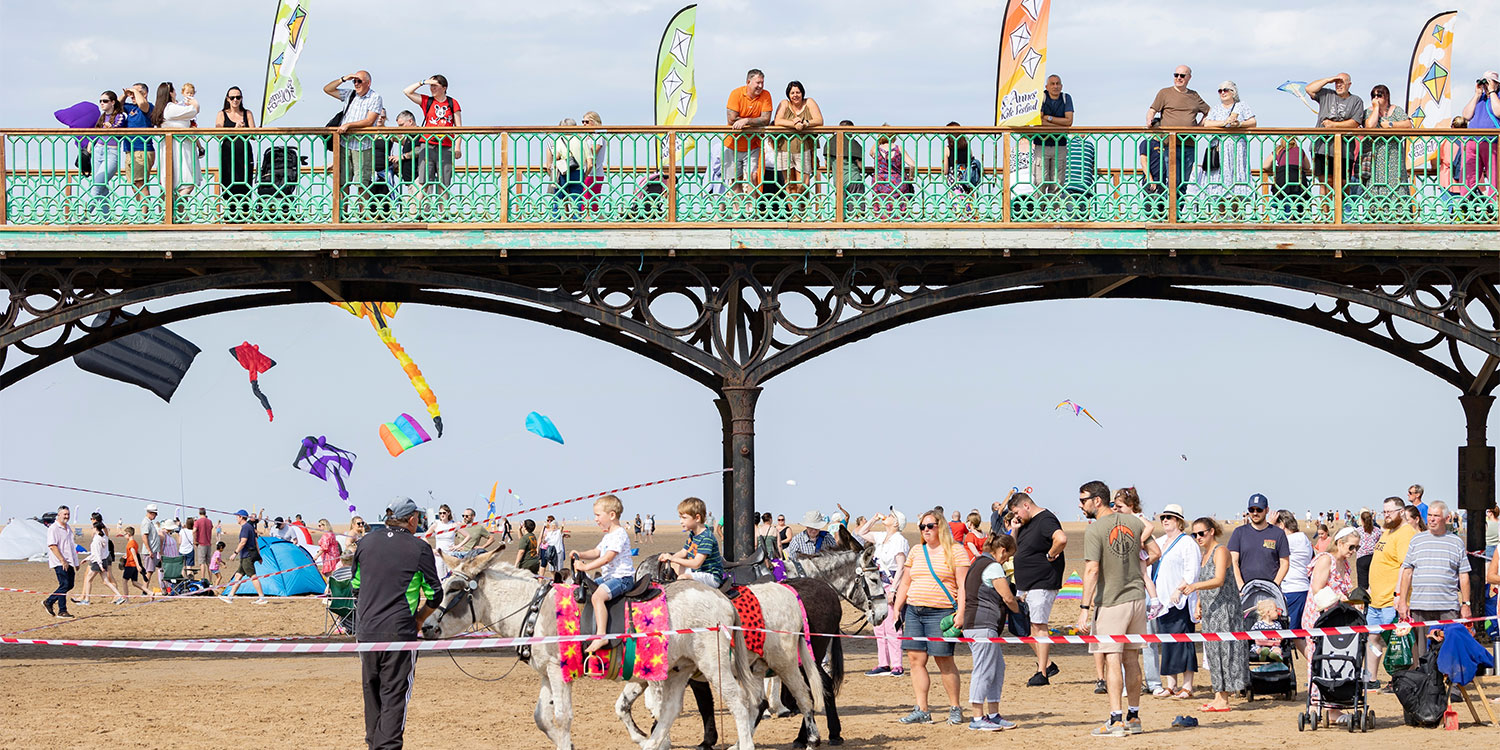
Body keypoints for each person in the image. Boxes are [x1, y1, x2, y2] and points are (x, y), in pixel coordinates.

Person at [353, 497, 440, 750]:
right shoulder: (419, 548)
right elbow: (436, 593)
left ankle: (374, 745)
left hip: (367, 631)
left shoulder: (365, 542)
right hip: (399, 632)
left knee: (372, 693)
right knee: (395, 696)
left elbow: (355, 586)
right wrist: (420, 618)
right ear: (412, 520)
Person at [1076, 481, 1160, 736]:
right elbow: (1154, 551)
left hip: (1111, 601)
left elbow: (1092, 570)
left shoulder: (1095, 530)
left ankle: (1116, 719)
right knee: (1132, 659)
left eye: (1083, 500)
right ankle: (1134, 717)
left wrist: (1083, 609)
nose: (1080, 506)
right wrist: (1135, 565)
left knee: (1113, 659)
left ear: (1097, 501)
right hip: (1136, 598)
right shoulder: (1134, 522)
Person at [891, 509, 972, 725]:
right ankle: (922, 709)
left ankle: (955, 707)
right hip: (915, 612)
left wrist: (961, 613)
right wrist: (898, 607)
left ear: (940, 527)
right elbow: (906, 582)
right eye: (922, 527)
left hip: (942, 612)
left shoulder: (956, 551)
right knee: (916, 661)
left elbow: (964, 585)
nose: (925, 530)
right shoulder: (917, 551)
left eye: (930, 526)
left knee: (944, 661)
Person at [1179, 517, 1245, 713]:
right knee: (1213, 653)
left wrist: (1194, 587)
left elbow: (1218, 579)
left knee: (1225, 652)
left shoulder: (1221, 551)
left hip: (1225, 610)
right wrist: (1199, 603)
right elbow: (1205, 580)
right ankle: (1218, 695)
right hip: (1210, 611)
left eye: (1201, 533)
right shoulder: (1205, 554)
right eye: (1195, 534)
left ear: (1211, 532)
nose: (1198, 537)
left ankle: (1224, 698)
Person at [961, 534, 1021, 731]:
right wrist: (1019, 612)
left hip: (980, 625)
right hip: (982, 625)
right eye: (1008, 556)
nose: (1007, 560)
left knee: (997, 668)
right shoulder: (993, 566)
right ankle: (977, 718)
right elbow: (1007, 597)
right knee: (984, 670)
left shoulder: (977, 562)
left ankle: (993, 714)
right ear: (1002, 550)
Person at [1398, 501, 1471, 662]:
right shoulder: (1416, 541)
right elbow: (1407, 572)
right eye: (1429, 515)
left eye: (1436, 516)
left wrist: (1466, 604)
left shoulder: (1456, 542)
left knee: (1449, 652)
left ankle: (1452, 686)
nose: (1431, 519)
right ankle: (1425, 686)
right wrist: (1402, 601)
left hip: (1448, 607)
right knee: (1423, 654)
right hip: (1420, 606)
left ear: (1445, 518)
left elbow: (1464, 575)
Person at [1007, 491, 1066, 686]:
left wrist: (1050, 555)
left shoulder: (1046, 519)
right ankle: (1047, 664)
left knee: (1038, 626)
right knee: (1023, 627)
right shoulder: (1025, 524)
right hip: (1025, 584)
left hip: (1042, 583)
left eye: (1016, 512)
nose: (1016, 517)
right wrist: (1014, 530)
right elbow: (1013, 549)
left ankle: (1042, 673)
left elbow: (1061, 539)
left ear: (1026, 505)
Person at [1303, 526, 1358, 722]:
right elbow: (1318, 588)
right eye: (1351, 547)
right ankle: (1315, 705)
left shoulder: (1345, 564)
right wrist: (1340, 598)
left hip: (1336, 618)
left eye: (1357, 548)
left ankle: (1334, 708)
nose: (1353, 552)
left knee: (1336, 659)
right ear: (1340, 543)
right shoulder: (1326, 559)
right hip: (1319, 617)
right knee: (1318, 659)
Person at [569, 494, 634, 656]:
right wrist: (581, 554)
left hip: (622, 578)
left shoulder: (619, 534)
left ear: (611, 515)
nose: (596, 519)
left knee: (598, 597)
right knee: (586, 588)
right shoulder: (607, 536)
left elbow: (607, 558)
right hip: (609, 577)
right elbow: (596, 552)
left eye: (598, 515)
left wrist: (585, 567)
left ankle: (601, 635)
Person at [1150, 504, 1198, 698]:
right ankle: (1171, 684)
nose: (1165, 520)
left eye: (1170, 517)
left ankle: (1187, 685)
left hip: (1180, 600)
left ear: (1179, 521)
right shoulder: (1160, 541)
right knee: (1167, 643)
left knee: (1183, 642)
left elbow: (1192, 571)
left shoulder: (1187, 543)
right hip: (1160, 601)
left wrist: (1180, 590)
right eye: (1163, 517)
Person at [1364, 496, 1414, 686]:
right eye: (1384, 512)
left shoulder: (1405, 534)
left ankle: (1400, 680)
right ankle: (1372, 678)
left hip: (1390, 601)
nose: (1386, 515)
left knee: (1396, 643)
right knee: (1373, 638)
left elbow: (1405, 567)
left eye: (1390, 512)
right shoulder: (1387, 532)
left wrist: (1398, 595)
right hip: (1376, 599)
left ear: (1401, 512)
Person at [1141, 65, 1209, 202]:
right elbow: (1152, 110)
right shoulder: (1164, 93)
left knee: (1183, 181)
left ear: (1189, 78)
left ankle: (1177, 213)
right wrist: (1149, 120)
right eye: (1176, 75)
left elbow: (1208, 111)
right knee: (1173, 180)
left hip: (1188, 144)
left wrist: (1198, 128)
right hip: (1169, 144)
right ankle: (1169, 211)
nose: (1179, 78)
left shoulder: (1194, 95)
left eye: (1182, 75)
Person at [852, 510, 908, 676]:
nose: (887, 517)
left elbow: (901, 566)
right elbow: (861, 532)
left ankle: (897, 664)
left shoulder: (899, 540)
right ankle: (883, 663)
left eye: (891, 516)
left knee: (892, 625)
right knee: (878, 625)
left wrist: (895, 589)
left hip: (891, 583)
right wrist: (874, 519)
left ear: (897, 523)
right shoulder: (882, 536)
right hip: (877, 586)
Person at [323, 70, 384, 216]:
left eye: (359, 81)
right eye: (354, 81)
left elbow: (370, 121)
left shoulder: (375, 97)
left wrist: (349, 125)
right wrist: (344, 78)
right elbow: (327, 89)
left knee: (362, 182)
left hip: (362, 145)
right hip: (344, 144)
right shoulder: (350, 94)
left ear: (368, 83)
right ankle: (342, 214)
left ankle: (363, 215)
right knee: (342, 181)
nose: (356, 84)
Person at [1196, 81, 1256, 216]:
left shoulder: (1241, 106)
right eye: (1220, 90)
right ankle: (1221, 214)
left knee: (1237, 179)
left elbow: (1253, 122)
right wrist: (1224, 123)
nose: (1222, 92)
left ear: (1233, 92)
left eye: (1226, 90)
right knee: (1219, 181)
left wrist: (1239, 124)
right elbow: (1207, 124)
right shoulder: (1216, 108)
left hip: (1237, 149)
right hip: (1220, 148)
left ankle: (1236, 214)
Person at [1305, 73, 1366, 200]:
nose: (1338, 85)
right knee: (1325, 182)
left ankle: (1341, 215)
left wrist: (1333, 125)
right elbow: (1309, 89)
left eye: (1342, 82)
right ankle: (1326, 216)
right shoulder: (1326, 94)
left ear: (1349, 84)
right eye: (1336, 82)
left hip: (1344, 148)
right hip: (1321, 146)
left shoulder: (1356, 101)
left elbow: (1354, 123)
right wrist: (1328, 79)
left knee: (1343, 183)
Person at [401, 75, 461, 202]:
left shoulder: (452, 103)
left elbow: (459, 128)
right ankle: (419, 210)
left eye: (435, 86)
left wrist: (457, 147)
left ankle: (443, 213)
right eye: (431, 86)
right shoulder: (427, 101)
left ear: (444, 88)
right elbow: (407, 91)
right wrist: (422, 82)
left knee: (443, 183)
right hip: (428, 145)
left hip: (446, 146)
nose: (432, 88)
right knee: (424, 180)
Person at [771, 80, 822, 216]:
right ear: (788, 94)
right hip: (784, 148)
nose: (795, 95)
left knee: (802, 184)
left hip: (803, 147)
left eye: (797, 92)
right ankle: (793, 213)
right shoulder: (784, 103)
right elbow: (778, 121)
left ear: (802, 93)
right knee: (789, 185)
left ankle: (802, 211)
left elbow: (819, 120)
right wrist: (794, 123)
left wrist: (805, 123)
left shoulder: (809, 102)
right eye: (792, 92)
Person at [723, 69, 774, 198]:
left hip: (753, 144)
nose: (760, 86)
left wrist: (746, 120)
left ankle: (751, 212)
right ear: (748, 82)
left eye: (762, 83)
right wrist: (755, 121)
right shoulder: (736, 94)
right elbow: (731, 119)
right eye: (758, 83)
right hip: (732, 143)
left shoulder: (766, 95)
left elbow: (766, 120)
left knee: (753, 177)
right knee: (735, 180)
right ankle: (737, 213)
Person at [657, 497, 724, 585]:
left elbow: (696, 564)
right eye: (680, 518)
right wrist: (669, 559)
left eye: (684, 518)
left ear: (697, 518)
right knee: (675, 565)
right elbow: (683, 552)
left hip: (710, 576)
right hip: (697, 572)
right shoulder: (693, 534)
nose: (681, 521)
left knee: (683, 578)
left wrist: (673, 558)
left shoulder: (706, 537)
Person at [1227, 493, 1288, 589]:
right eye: (1252, 510)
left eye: (1259, 510)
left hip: (1270, 590)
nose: (1255, 513)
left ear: (1267, 510)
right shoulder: (1239, 532)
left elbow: (1285, 563)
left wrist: (1274, 585)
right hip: (1245, 590)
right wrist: (1241, 586)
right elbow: (1233, 561)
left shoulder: (1278, 534)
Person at [214, 86, 256, 220]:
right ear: (228, 99)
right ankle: (229, 216)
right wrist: (234, 129)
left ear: (241, 99)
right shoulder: (221, 114)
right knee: (228, 182)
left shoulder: (247, 113)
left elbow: (254, 135)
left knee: (245, 183)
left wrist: (247, 130)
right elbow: (218, 134)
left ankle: (245, 215)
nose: (235, 100)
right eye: (232, 98)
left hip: (244, 153)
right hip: (228, 153)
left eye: (238, 97)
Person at [84, 91, 127, 218]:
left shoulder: (120, 116)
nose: (102, 103)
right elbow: (96, 132)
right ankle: (107, 217)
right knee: (102, 188)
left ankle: (83, 215)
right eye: (101, 101)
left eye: (105, 101)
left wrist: (111, 127)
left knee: (98, 185)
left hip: (111, 152)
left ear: (113, 102)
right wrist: (92, 142)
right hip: (98, 150)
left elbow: (119, 127)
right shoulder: (102, 117)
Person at [155, 82, 200, 197]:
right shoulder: (170, 108)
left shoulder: (167, 108)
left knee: (178, 184)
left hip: (178, 146)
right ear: (170, 93)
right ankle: (174, 207)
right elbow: (193, 111)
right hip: (179, 148)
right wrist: (194, 103)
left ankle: (180, 213)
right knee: (187, 182)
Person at [1032, 74, 1074, 192]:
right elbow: (1038, 121)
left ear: (1061, 86)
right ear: (1047, 86)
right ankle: (1039, 209)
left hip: (1059, 144)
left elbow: (1069, 121)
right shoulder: (1041, 97)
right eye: (1052, 84)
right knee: (1040, 181)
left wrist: (1049, 119)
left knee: (1057, 183)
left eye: (1057, 83)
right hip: (1042, 144)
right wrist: (1060, 126)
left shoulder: (1066, 98)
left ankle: (1052, 209)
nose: (1055, 86)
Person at [1274, 510, 1314, 630]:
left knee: (1289, 633)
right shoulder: (1304, 538)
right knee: (1298, 636)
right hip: (1303, 589)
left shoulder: (1289, 540)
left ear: (1281, 525)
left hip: (1291, 590)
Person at [220, 509, 267, 604]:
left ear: (241, 517)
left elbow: (243, 542)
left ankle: (262, 597)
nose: (236, 518)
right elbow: (256, 542)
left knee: (253, 576)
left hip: (247, 556)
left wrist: (235, 553)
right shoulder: (250, 527)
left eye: (237, 517)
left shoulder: (245, 528)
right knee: (238, 575)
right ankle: (230, 597)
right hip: (247, 556)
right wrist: (259, 556)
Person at [120, 83, 156, 197]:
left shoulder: (148, 106)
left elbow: (142, 104)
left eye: (136, 93)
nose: (133, 96)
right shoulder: (131, 107)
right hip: (130, 150)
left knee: (141, 184)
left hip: (142, 149)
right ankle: (141, 212)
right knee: (134, 185)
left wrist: (134, 91)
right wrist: (125, 94)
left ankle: (144, 214)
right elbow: (116, 106)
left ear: (144, 94)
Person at [77, 520, 126, 605]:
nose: (91, 529)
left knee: (88, 579)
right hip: (103, 561)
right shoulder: (104, 538)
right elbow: (101, 553)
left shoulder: (97, 539)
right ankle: (119, 596)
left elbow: (97, 554)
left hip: (98, 562)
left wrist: (99, 565)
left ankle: (87, 600)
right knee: (106, 581)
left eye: (92, 528)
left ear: (96, 528)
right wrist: (87, 559)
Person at [44, 506, 79, 618]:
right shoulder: (53, 528)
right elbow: (52, 546)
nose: (67, 516)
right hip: (59, 562)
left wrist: (76, 562)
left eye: (68, 514)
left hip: (69, 561)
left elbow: (72, 547)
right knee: (64, 584)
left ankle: (49, 601)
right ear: (58, 515)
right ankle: (62, 611)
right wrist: (62, 560)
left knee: (70, 584)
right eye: (64, 514)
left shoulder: (68, 528)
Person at [428, 505, 459, 579]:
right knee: (440, 576)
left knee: (451, 576)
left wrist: (458, 546)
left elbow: (467, 536)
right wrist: (432, 549)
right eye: (440, 513)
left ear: (448, 513)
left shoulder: (453, 524)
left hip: (450, 554)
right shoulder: (436, 524)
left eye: (444, 513)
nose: (442, 515)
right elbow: (424, 536)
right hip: (439, 554)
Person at [120, 526, 149, 599]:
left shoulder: (131, 543)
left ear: (128, 534)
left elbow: (134, 555)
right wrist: (127, 556)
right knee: (134, 582)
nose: (124, 536)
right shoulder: (134, 543)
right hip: (133, 565)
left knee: (124, 581)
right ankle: (149, 592)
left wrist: (138, 565)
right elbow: (135, 553)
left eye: (125, 534)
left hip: (130, 565)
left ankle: (126, 598)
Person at [1356, 510, 1381, 590]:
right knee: (1374, 583)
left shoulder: (1358, 531)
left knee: (1363, 586)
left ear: (1362, 520)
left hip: (1361, 558)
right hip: (1374, 558)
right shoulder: (1377, 530)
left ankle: (1365, 601)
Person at [141, 503, 163, 595]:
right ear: (150, 513)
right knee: (149, 572)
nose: (156, 516)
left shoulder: (150, 522)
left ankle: (145, 590)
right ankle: (145, 591)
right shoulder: (146, 522)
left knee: (152, 570)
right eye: (155, 514)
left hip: (153, 551)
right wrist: (149, 550)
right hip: (149, 552)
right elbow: (144, 537)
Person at [193, 507, 213, 578]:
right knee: (208, 563)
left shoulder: (197, 522)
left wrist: (195, 540)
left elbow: (194, 531)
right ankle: (210, 580)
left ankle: (203, 578)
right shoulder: (209, 521)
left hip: (201, 544)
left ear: (199, 513)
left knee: (202, 563)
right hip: (208, 543)